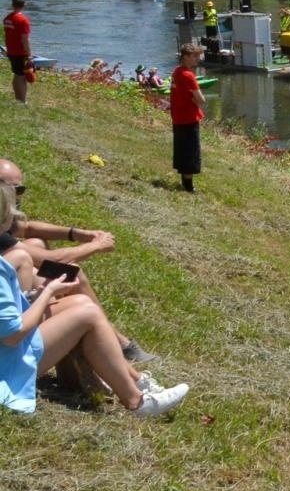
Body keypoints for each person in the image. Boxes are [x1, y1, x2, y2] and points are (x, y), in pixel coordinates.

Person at [0, 184, 188, 417]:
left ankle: (135, 380)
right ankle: (137, 402)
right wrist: (47, 294)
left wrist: (35, 297)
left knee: (81, 302)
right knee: (86, 313)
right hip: (5, 367)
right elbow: (12, 335)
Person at [170, 43, 205, 193]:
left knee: (182, 150)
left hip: (178, 116)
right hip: (189, 118)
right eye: (194, 56)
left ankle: (185, 183)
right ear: (185, 57)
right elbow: (201, 99)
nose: (197, 59)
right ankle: (189, 187)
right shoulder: (188, 75)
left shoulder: (176, 71)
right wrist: (196, 100)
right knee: (191, 152)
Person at [4, 0, 32, 104]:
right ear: (24, 5)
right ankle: (22, 101)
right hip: (20, 52)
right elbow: (25, 39)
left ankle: (18, 99)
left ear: (12, 4)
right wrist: (29, 55)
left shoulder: (7, 18)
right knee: (22, 76)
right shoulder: (23, 20)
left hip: (11, 50)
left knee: (17, 74)